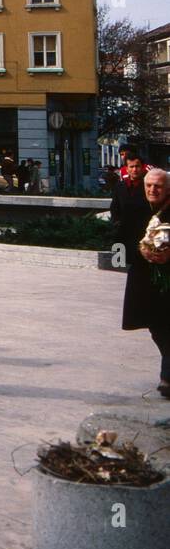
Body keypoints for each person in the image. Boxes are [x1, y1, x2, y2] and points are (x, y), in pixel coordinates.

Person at [109, 156, 168, 398]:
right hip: (143, 274)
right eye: (149, 186)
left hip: (167, 276)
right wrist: (120, 258)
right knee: (155, 325)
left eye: (158, 186)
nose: (152, 190)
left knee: (166, 324)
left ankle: (167, 377)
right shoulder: (134, 203)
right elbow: (119, 229)